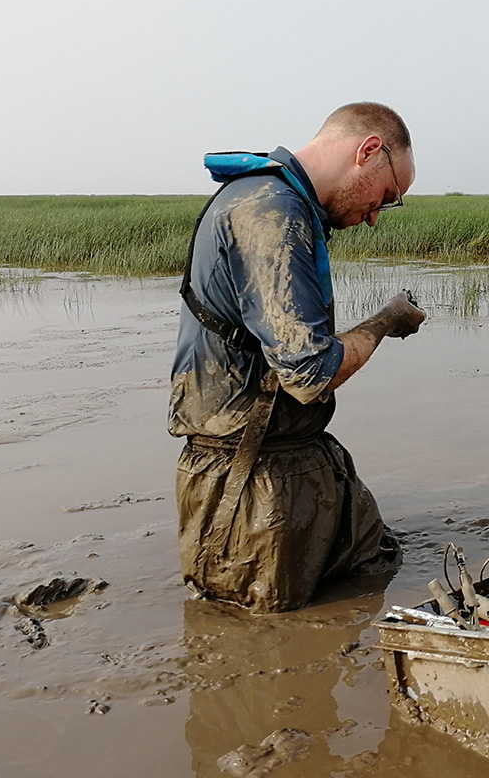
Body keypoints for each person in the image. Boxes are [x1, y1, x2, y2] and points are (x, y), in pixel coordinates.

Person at [169, 102, 425, 613]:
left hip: (299, 453)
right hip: (249, 478)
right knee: (259, 645)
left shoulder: (282, 202)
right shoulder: (271, 212)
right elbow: (310, 373)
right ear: (369, 151)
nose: (376, 216)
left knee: (374, 574)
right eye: (386, 197)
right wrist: (385, 321)